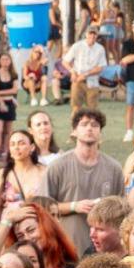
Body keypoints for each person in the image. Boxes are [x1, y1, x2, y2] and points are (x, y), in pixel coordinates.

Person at [43, 109, 123, 258]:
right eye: (84, 124)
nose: (89, 128)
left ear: (100, 132)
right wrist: (75, 206)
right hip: (67, 246)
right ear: (74, 131)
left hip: (105, 250)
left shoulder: (114, 168)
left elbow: (122, 210)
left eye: (95, 125)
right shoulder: (57, 166)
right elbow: (43, 207)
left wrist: (105, 206)